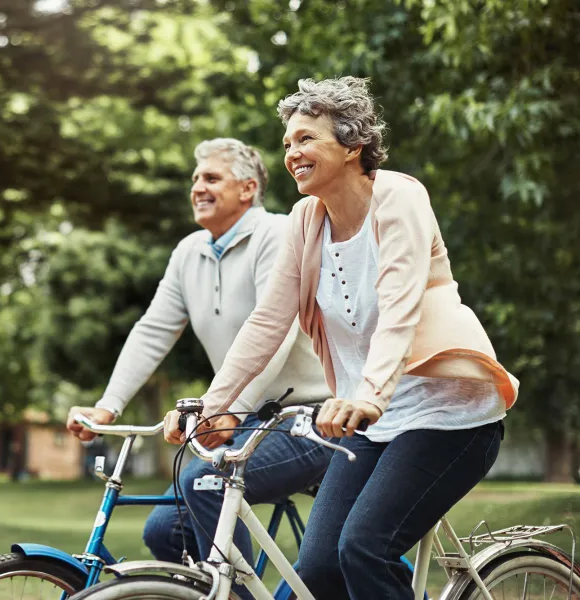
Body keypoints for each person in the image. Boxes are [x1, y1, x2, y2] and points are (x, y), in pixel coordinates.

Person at [165, 77, 519, 600]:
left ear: (353, 146)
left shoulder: (400, 197)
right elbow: (268, 322)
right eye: (287, 143)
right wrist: (213, 406)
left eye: (306, 138)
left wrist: (368, 396)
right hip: (370, 424)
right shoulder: (306, 221)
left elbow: (400, 304)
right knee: (319, 568)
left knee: (364, 547)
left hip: (448, 414)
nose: (292, 153)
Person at [66, 138, 332, 583]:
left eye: (211, 178)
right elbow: (153, 331)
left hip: (311, 416)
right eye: (195, 180)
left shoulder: (278, 234)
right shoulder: (189, 252)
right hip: (247, 418)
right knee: (165, 529)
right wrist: (108, 405)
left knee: (202, 483)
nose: (197, 188)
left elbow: (277, 331)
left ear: (247, 189)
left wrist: (227, 409)